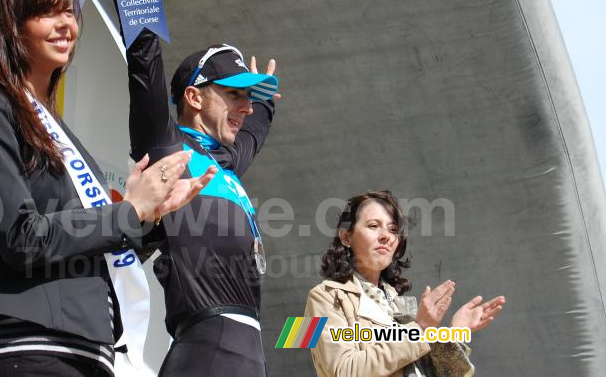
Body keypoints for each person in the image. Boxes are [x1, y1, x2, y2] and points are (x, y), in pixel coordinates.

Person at [0, 0, 215, 377]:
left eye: (71, 12)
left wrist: (151, 217)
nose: (66, 25)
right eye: (46, 12)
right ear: (9, 23)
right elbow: (23, 238)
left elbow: (93, 245)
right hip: (33, 350)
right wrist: (128, 212)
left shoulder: (56, 129)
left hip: (91, 352)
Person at [125, 29, 281, 376]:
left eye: (250, 96)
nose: (247, 106)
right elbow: (144, 70)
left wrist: (266, 101)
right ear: (193, 97)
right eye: (234, 94)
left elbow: (254, 131)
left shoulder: (224, 161)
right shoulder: (169, 150)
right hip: (207, 351)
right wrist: (136, 1)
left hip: (249, 354)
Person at [305, 190, 506, 377]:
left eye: (393, 229)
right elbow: (342, 370)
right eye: (373, 226)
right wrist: (419, 328)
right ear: (346, 236)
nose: (385, 236)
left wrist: (455, 332)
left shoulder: (396, 302)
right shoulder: (323, 296)